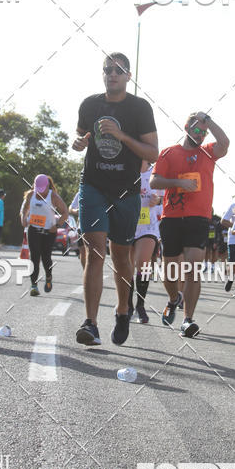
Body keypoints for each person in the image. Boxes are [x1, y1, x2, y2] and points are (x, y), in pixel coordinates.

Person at [72, 52, 158, 346]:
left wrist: (121, 136)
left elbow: (152, 153)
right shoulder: (90, 104)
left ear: (128, 76)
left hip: (126, 191)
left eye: (119, 70)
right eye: (108, 69)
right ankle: (91, 323)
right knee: (95, 250)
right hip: (94, 185)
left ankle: (123, 309)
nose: (112, 74)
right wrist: (79, 143)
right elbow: (80, 137)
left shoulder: (140, 108)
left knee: (121, 256)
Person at [151, 111, 229, 337]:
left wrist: (210, 121)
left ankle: (188, 320)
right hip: (172, 217)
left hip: (198, 217)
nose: (201, 134)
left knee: (193, 268)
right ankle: (174, 298)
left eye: (204, 132)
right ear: (186, 128)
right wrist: (178, 182)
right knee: (170, 271)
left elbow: (225, 143)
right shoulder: (168, 153)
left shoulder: (208, 153)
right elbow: (155, 180)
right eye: (197, 129)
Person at [20, 174, 68, 295]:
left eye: (43, 189)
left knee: (46, 258)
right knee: (34, 258)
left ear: (47, 186)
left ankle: (48, 277)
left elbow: (65, 213)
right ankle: (33, 286)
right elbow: (24, 209)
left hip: (48, 232)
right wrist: (23, 219)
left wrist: (56, 226)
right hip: (33, 230)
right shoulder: (31, 195)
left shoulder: (53, 197)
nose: (40, 192)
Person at [129, 160, 163, 324]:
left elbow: (166, 199)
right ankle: (127, 305)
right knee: (127, 267)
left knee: (142, 263)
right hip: (126, 224)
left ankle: (140, 305)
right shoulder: (125, 169)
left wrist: (158, 201)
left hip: (148, 226)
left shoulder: (155, 174)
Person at [69, 190, 86, 270]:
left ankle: (94, 274)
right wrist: (76, 211)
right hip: (81, 227)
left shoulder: (101, 191)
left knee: (94, 253)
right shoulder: (80, 193)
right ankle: (85, 271)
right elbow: (71, 208)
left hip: (97, 227)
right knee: (83, 251)